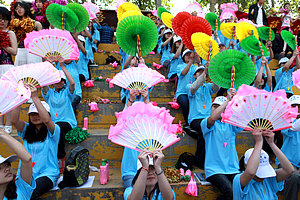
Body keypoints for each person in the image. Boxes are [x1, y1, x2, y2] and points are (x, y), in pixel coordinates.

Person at [11, 84, 61, 200]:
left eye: (38, 114)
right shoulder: (26, 130)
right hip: (25, 174)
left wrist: (35, 97)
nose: (35, 116)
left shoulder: (53, 130)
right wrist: (20, 97)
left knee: (32, 193)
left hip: (47, 174)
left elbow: (47, 120)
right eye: (32, 114)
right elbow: (14, 120)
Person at [200, 90, 243, 200]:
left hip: (232, 168)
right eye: (214, 106)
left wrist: (235, 101)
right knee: (229, 191)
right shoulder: (206, 123)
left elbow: (242, 120)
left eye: (220, 107)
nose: (216, 109)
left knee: (242, 189)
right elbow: (213, 117)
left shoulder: (230, 124)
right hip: (214, 170)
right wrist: (227, 100)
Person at [233, 128, 294, 200]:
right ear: (245, 165)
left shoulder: (269, 179)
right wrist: (259, 142)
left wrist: (271, 143)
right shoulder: (239, 180)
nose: (262, 177)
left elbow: (289, 170)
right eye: (258, 172)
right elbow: (250, 172)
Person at [42, 56, 76, 160]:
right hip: (52, 121)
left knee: (58, 128)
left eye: (61, 80)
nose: (59, 82)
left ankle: (60, 157)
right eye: (56, 80)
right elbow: (43, 83)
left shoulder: (67, 93)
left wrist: (62, 66)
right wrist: (48, 65)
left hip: (67, 121)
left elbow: (73, 83)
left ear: (64, 82)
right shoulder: (49, 93)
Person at [187, 64, 219, 168]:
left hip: (208, 118)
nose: (202, 73)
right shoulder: (189, 86)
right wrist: (205, 72)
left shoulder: (207, 86)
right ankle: (200, 161)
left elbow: (216, 88)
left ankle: (213, 159)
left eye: (203, 71)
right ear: (195, 75)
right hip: (195, 118)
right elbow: (193, 88)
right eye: (199, 72)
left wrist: (213, 74)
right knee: (205, 128)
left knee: (217, 129)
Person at [275, 95, 300, 200]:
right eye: (293, 106)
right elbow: (293, 128)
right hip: (287, 161)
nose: (297, 109)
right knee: (293, 177)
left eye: (299, 106)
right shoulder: (285, 121)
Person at [0, 127, 35, 200]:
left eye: (7, 165)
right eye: (0, 168)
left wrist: (2, 133)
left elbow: (27, 159)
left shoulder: (21, 188)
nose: (7, 169)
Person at [0, 7, 17, 134]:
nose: (2, 22)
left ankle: (8, 123)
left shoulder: (10, 33)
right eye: (0, 19)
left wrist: (3, 45)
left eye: (4, 19)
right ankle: (0, 123)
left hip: (7, 66)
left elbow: (15, 51)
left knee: (8, 95)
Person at [9, 1, 42, 66]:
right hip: (20, 49)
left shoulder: (36, 24)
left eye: (21, 7)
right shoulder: (14, 24)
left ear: (26, 8)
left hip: (33, 50)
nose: (19, 10)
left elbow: (41, 40)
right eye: (17, 8)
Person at [175, 50, 198, 128]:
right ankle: (188, 123)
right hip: (181, 93)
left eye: (190, 54)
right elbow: (183, 73)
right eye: (186, 55)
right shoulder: (180, 66)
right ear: (183, 57)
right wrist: (191, 62)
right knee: (185, 102)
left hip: (192, 93)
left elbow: (202, 73)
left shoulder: (195, 67)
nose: (189, 56)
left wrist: (197, 57)